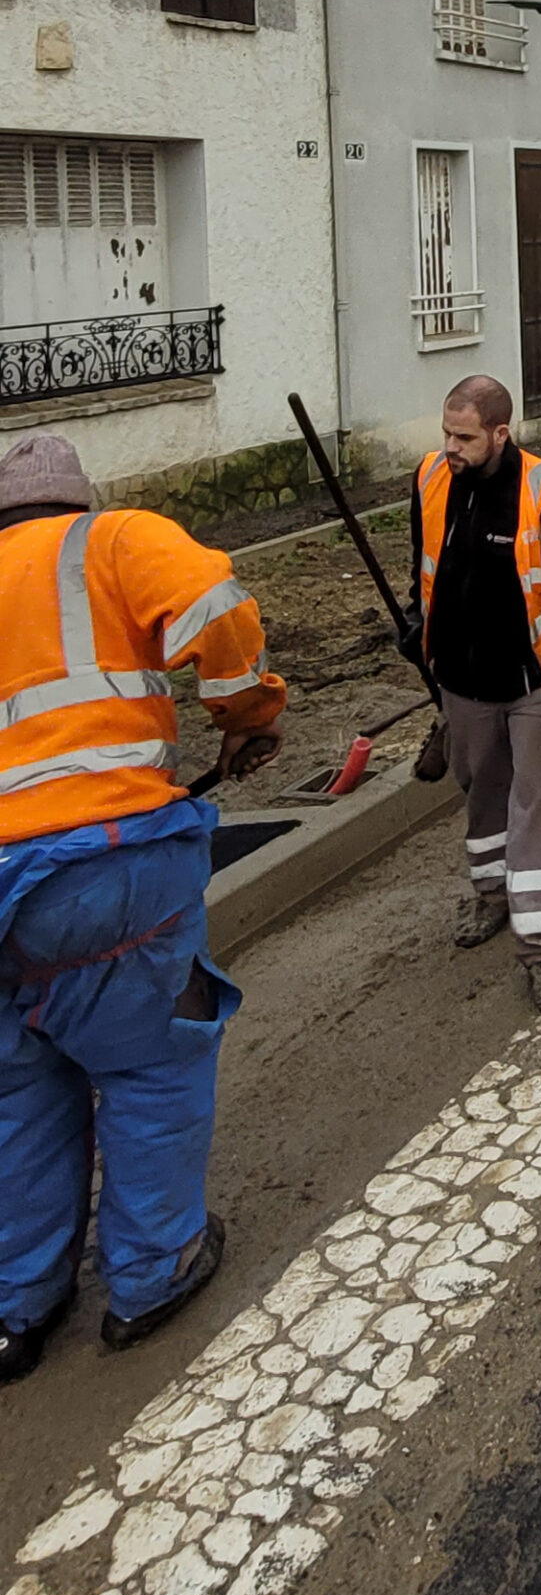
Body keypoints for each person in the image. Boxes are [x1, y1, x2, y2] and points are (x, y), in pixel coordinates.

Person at [0, 433, 285, 1384]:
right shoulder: (110, 542)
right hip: (101, 869)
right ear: (74, 504)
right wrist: (246, 717)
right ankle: (150, 1277)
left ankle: (20, 1304)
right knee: (149, 1068)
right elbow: (218, 610)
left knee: (18, 1096)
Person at [404, 375, 541, 1016]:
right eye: (446, 433)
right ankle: (492, 896)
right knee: (481, 794)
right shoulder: (431, 480)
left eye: (464, 437)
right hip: (462, 683)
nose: (451, 448)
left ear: (501, 432)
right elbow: (425, 561)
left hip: (533, 685)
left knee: (536, 808)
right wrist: (417, 619)